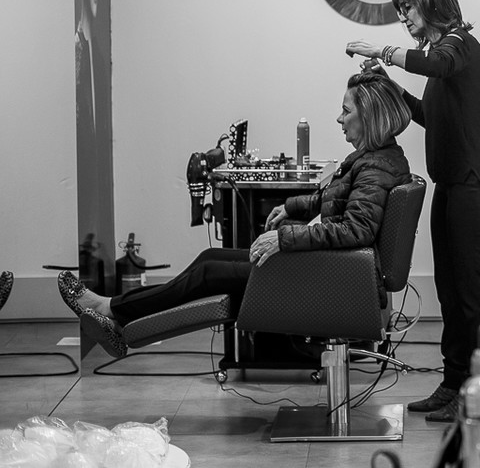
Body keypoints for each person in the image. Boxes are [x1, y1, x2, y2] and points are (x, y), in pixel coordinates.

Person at [57, 72, 412, 358]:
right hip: (335, 269)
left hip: (336, 277)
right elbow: (337, 201)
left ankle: (110, 309)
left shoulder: (375, 167)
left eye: (347, 111)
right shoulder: (374, 159)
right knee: (210, 256)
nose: (339, 118)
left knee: (211, 271)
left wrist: (284, 238)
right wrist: (290, 207)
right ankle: (120, 320)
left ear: (370, 117)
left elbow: (356, 230)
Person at [346, 0, 480, 424]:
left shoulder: (459, 46)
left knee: (472, 293)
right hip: (452, 185)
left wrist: (381, 52)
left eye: (408, 9)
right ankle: (453, 382)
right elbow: (427, 116)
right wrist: (390, 84)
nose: (402, 17)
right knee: (449, 290)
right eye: (400, 10)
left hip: (477, 186)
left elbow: (436, 65)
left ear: (432, 4)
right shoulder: (440, 57)